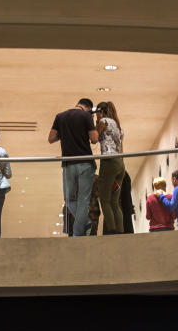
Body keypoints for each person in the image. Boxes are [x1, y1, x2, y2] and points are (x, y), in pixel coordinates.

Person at [48, 98, 98, 236]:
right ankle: (79, 232)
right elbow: (94, 139)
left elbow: (51, 138)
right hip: (85, 163)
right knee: (84, 199)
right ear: (88, 108)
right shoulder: (86, 116)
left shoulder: (60, 116)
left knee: (69, 199)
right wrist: (91, 123)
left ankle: (85, 224)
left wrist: (64, 133)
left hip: (68, 164)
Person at [94, 101, 125, 234]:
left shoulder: (103, 122)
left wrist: (95, 125)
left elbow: (94, 139)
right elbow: (121, 149)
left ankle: (112, 231)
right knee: (114, 201)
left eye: (97, 114)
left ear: (101, 112)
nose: (96, 116)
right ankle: (121, 231)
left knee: (104, 199)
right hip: (120, 164)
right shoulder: (118, 126)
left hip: (108, 162)